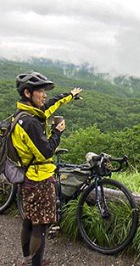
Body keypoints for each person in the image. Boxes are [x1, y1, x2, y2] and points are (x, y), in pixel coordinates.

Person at [12, 71, 82, 266]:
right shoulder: (30, 123)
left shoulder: (23, 115)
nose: (44, 95)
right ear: (28, 93)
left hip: (27, 177)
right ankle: (35, 264)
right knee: (40, 227)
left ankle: (27, 261)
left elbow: (51, 105)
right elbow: (46, 152)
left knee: (29, 221)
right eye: (40, 91)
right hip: (39, 179)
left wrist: (70, 95)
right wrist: (58, 133)